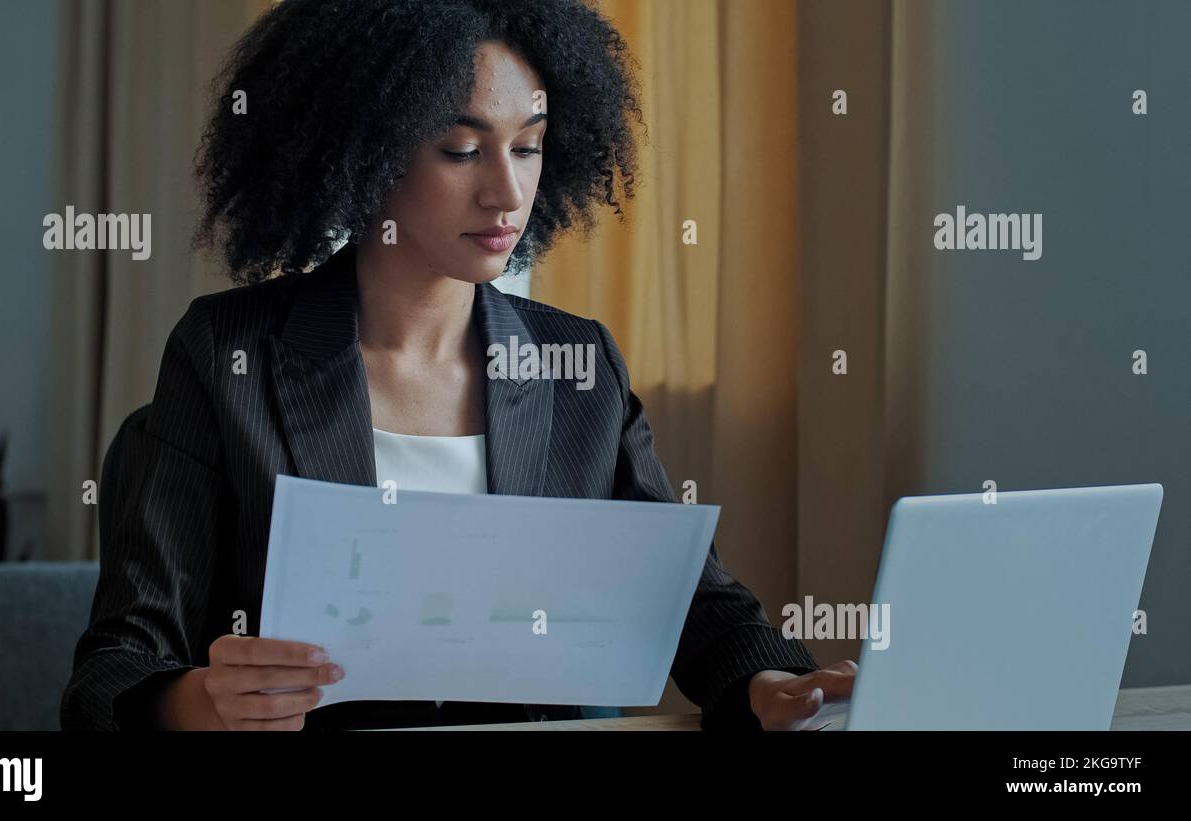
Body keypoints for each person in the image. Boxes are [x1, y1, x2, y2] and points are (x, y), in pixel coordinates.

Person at [61, 0, 855, 732]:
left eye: (529, 146)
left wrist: (771, 682)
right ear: (364, 150)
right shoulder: (224, 357)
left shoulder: (578, 369)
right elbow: (112, 670)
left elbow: (688, 603)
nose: (506, 191)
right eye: (462, 149)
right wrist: (198, 699)